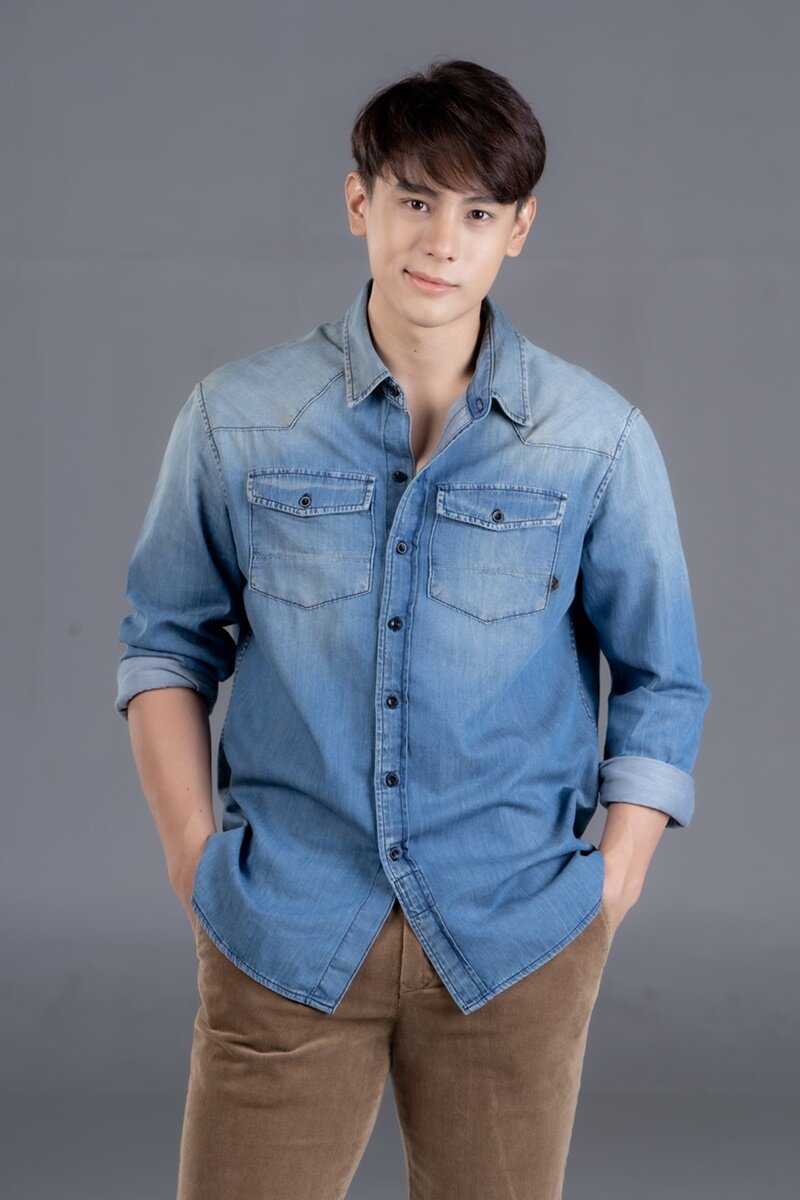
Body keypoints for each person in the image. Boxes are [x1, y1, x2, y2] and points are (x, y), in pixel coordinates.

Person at [115, 57, 711, 1200]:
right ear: (360, 203)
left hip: (514, 937)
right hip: (284, 924)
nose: (441, 241)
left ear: (518, 230)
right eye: (415, 200)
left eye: (478, 213)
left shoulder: (593, 440)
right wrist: (195, 860)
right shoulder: (237, 419)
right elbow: (162, 648)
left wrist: (609, 884)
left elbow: (661, 680)